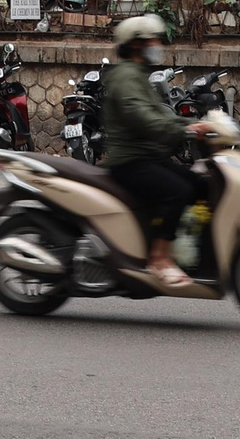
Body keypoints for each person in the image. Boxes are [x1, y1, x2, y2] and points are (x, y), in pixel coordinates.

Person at [102, 14, 210, 288]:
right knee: (179, 191)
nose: (158, 45)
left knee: (200, 185)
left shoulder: (139, 75)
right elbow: (143, 118)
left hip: (149, 157)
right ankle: (159, 258)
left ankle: (194, 253)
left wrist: (194, 124)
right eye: (153, 40)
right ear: (137, 45)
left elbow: (161, 115)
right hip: (130, 161)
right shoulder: (125, 77)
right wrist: (184, 130)